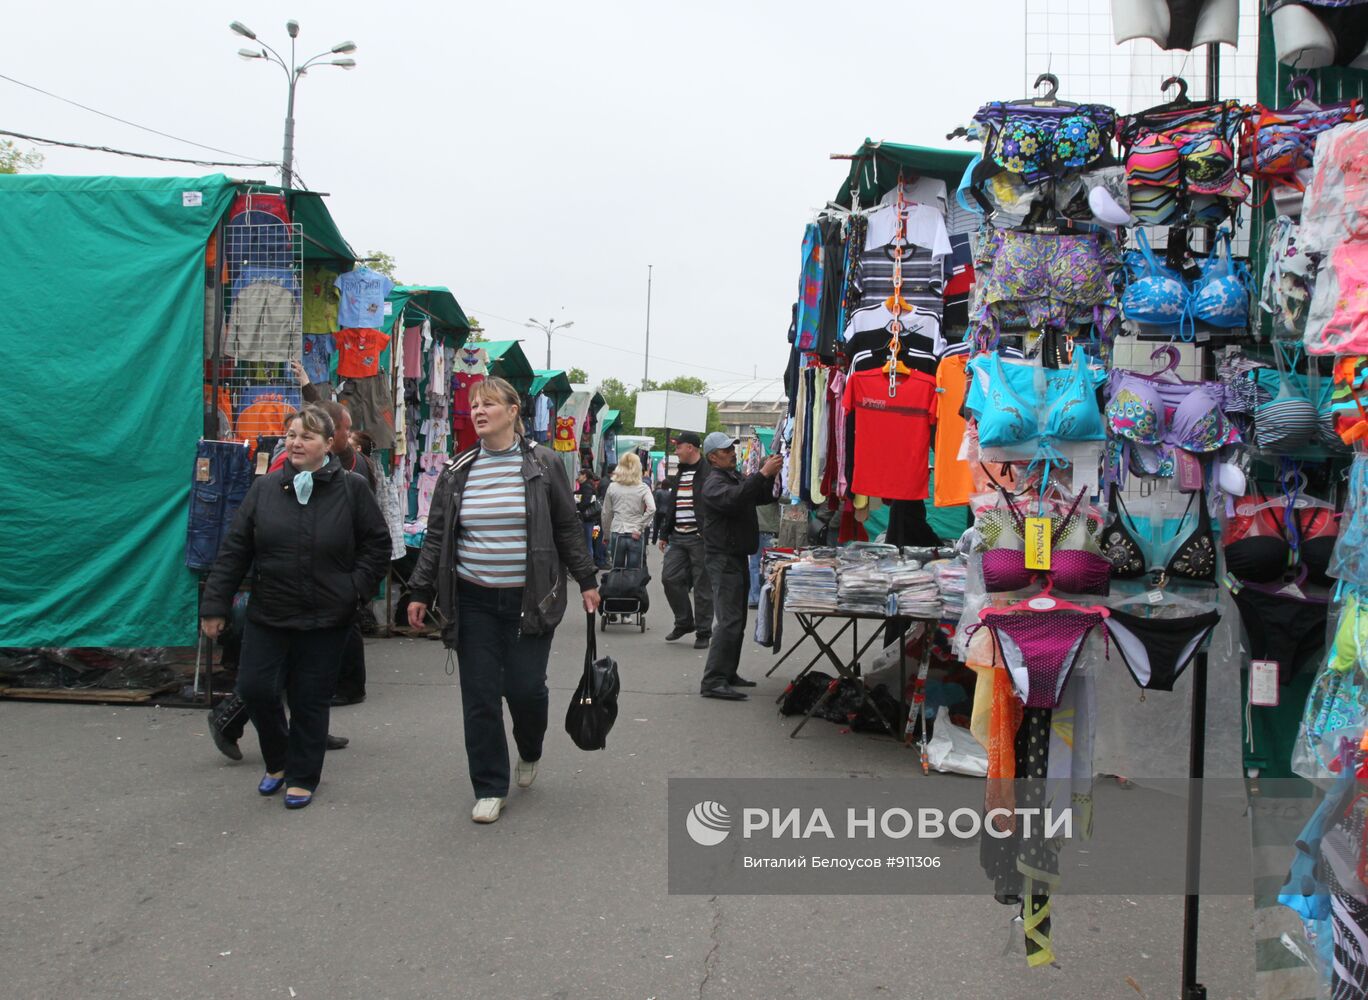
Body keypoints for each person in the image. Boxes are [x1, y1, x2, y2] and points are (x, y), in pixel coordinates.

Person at [405, 377, 602, 825]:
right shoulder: (458, 470)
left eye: (489, 404)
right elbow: (437, 536)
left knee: (526, 689)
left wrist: (587, 579)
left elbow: (567, 527)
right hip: (472, 599)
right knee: (479, 696)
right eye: (474, 404)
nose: (478, 411)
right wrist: (419, 591)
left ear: (514, 411)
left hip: (530, 599)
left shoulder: (544, 464)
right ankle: (490, 785)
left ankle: (529, 747)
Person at [200, 405, 391, 809]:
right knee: (255, 688)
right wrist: (215, 604)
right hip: (270, 611)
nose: (296, 442)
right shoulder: (265, 488)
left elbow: (377, 545)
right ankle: (278, 760)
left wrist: (353, 590)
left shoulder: (352, 488)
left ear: (327, 444)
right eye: (291, 435)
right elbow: (236, 548)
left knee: (309, 698)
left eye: (306, 436)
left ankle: (303, 775)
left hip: (327, 615)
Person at [696, 432, 783, 701]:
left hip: (735, 556)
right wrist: (761, 474)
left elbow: (759, 497)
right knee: (729, 620)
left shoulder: (732, 477)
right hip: (723, 558)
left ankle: (727, 672)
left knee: (737, 620)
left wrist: (767, 476)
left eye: (732, 448)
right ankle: (713, 680)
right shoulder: (713, 484)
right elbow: (735, 499)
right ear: (713, 457)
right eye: (726, 450)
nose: (732, 452)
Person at [658, 433, 713, 649]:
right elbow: (673, 504)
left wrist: (707, 531)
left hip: (699, 538)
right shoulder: (680, 472)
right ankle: (684, 622)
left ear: (690, 447)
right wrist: (664, 533)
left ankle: (703, 632)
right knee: (669, 578)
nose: (676, 451)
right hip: (678, 537)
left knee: (702, 586)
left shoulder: (708, 471)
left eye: (678, 447)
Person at [601, 452, 655, 569]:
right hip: (635, 532)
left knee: (616, 569)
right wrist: (640, 526)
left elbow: (606, 513)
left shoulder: (612, 487)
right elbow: (652, 508)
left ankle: (616, 587)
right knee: (634, 572)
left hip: (617, 530)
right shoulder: (643, 487)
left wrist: (606, 534)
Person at [652, 476, 673, 545]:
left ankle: (654, 540)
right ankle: (662, 539)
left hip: (659, 511)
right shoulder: (670, 493)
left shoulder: (658, 492)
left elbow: (656, 501)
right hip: (666, 511)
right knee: (663, 526)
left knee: (656, 526)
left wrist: (656, 509)